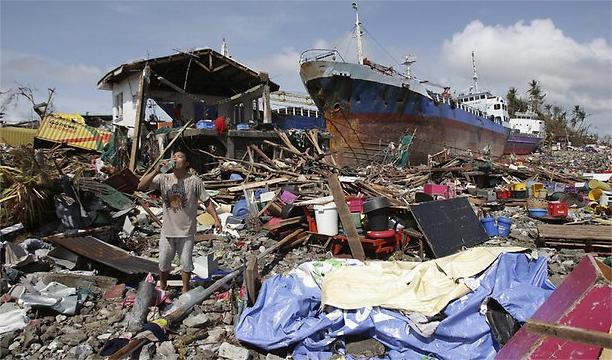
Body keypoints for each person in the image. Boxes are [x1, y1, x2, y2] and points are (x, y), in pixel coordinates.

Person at [137, 149, 221, 294]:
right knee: (163, 263)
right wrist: (156, 170)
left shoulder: (194, 181)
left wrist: (216, 219)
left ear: (186, 163)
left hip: (186, 231)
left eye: (180, 157)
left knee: (186, 264)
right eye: (174, 156)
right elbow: (140, 186)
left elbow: (207, 201)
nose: (175, 159)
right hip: (167, 231)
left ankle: (185, 289)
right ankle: (162, 286)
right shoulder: (163, 178)